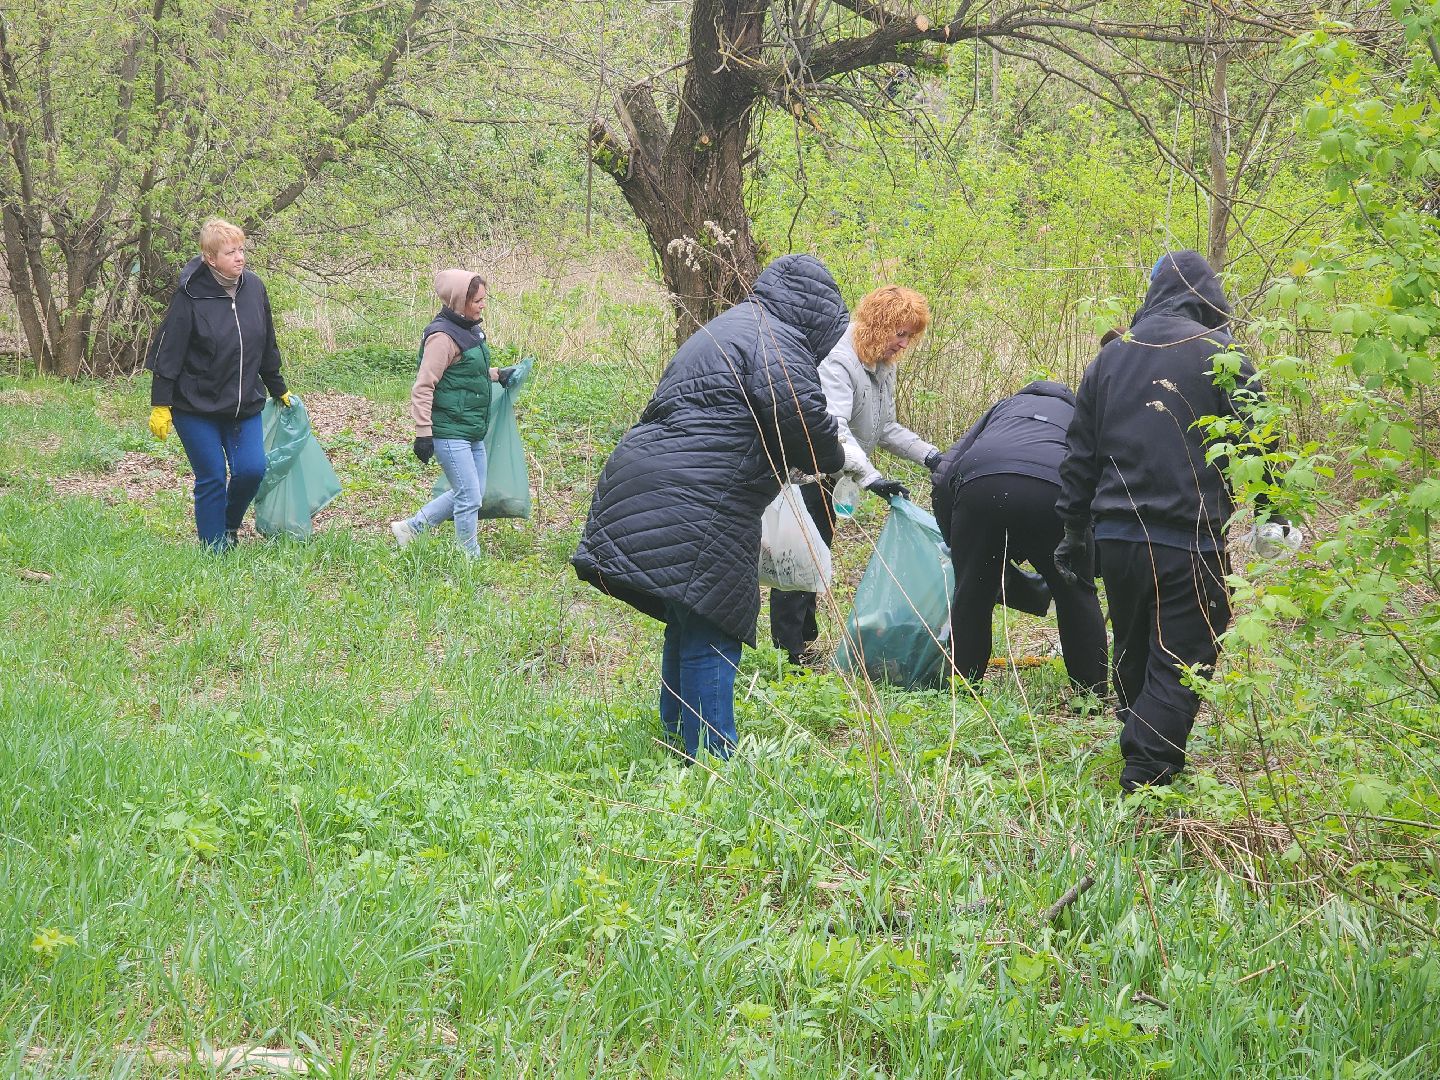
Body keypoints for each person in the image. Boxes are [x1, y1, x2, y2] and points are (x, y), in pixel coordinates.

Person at [572, 254, 848, 762]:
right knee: (715, 624)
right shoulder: (776, 339)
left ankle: (677, 735)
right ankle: (711, 761)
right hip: (700, 497)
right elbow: (804, 421)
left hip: (648, 477)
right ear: (816, 317)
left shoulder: (729, 326)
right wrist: (838, 460)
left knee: (690, 615)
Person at [1054, 249, 1284, 792]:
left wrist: (1072, 531)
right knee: (1186, 653)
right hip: (1187, 538)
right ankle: (1145, 776)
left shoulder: (1110, 358)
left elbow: (1079, 454)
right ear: (1209, 297)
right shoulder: (1224, 354)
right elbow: (1264, 440)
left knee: (1133, 648)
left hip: (1115, 538)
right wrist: (1273, 513)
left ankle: (1141, 741)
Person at [769, 285, 940, 667]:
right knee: (801, 559)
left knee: (817, 554)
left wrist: (932, 457)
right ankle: (790, 652)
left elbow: (887, 428)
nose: (904, 344)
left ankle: (804, 641)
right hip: (808, 473)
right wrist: (871, 477)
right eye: (901, 333)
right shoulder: (840, 361)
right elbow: (835, 429)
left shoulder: (883, 365)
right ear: (880, 326)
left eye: (910, 336)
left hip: (837, 473)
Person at [930, 380, 1107, 693]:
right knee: (1076, 595)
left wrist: (959, 545)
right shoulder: (1082, 413)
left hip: (981, 489)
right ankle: (1090, 696)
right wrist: (1089, 562)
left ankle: (963, 690)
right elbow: (1099, 479)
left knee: (972, 595)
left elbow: (944, 475)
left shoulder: (1003, 408)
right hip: (1054, 493)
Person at [146, 218, 291, 551]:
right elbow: (169, 353)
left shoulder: (254, 287)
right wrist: (160, 403)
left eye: (241, 250)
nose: (239, 257)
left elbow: (266, 342)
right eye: (230, 252)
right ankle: (214, 549)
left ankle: (227, 526)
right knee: (211, 476)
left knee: (252, 470)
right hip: (196, 407)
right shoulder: (190, 296)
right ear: (211, 258)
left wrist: (277, 386)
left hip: (243, 404)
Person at [390, 269, 516, 558]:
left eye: (484, 299)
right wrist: (423, 433)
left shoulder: (468, 328)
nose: (483, 305)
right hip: (449, 431)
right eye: (477, 301)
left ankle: (412, 528)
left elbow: (464, 373)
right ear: (459, 301)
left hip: (470, 428)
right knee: (469, 496)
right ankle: (467, 557)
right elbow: (423, 386)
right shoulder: (442, 338)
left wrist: (496, 374)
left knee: (472, 493)